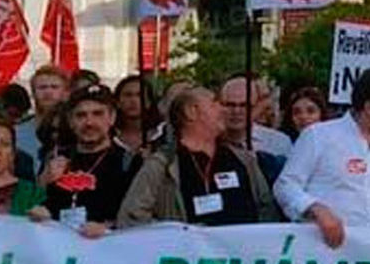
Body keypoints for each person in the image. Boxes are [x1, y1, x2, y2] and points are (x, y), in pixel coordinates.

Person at [276, 69, 370, 247]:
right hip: (318, 249)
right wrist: (316, 209)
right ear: (368, 107)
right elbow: (285, 186)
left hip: (369, 256)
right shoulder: (318, 136)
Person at [118, 87, 279, 228]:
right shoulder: (162, 165)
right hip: (190, 258)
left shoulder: (243, 159)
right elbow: (132, 218)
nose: (223, 110)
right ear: (191, 112)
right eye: (214, 103)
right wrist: (172, 237)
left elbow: (266, 209)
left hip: (241, 259)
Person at [42, 84, 142, 237]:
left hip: (105, 251)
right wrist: (43, 182)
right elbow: (37, 206)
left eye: (98, 114)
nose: (89, 122)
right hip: (58, 251)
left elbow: (138, 218)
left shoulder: (130, 162)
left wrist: (108, 228)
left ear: (112, 117)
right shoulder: (56, 157)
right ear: (70, 120)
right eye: (81, 115)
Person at [220, 75, 294, 159]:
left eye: (245, 105)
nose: (236, 111)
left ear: (257, 107)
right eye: (230, 105)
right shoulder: (210, 142)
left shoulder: (278, 143)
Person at [19, 65, 70, 159]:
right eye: (42, 87)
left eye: (54, 87)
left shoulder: (75, 129)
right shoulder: (17, 132)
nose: (48, 92)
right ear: (33, 93)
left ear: (66, 93)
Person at [113, 75, 160, 157]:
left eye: (139, 95)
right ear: (118, 102)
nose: (133, 100)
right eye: (128, 95)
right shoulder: (109, 135)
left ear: (149, 102)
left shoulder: (162, 135)